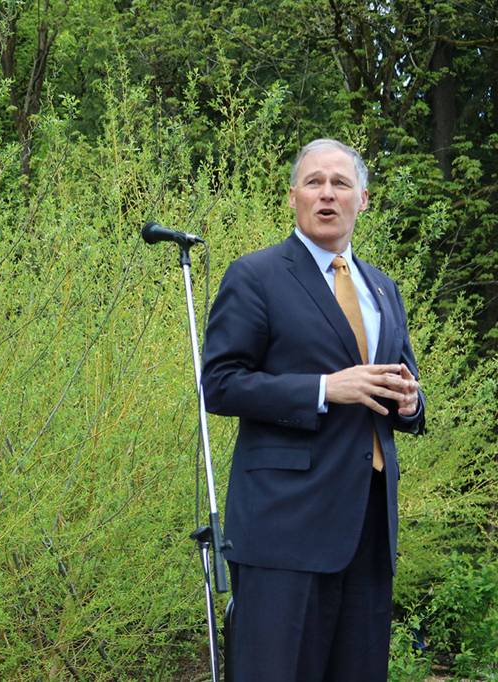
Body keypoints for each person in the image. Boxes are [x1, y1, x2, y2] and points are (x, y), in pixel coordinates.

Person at [201, 138, 426, 681]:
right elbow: (221, 384)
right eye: (314, 182)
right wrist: (325, 389)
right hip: (285, 527)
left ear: (363, 200)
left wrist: (412, 402)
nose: (327, 194)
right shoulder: (256, 276)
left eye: (341, 184)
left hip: (369, 529)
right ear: (293, 197)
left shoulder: (382, 288)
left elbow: (404, 387)